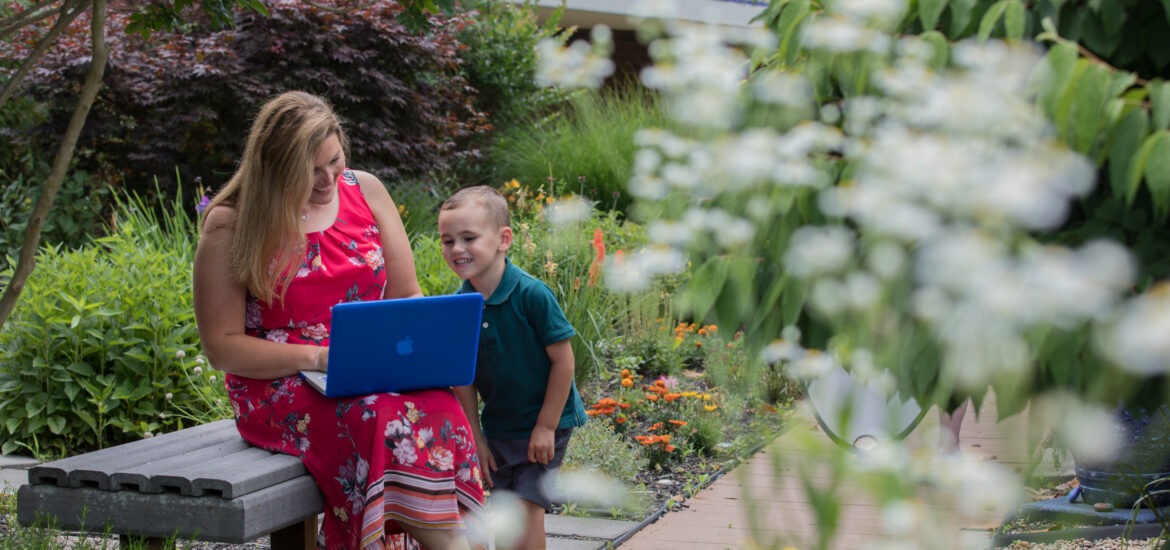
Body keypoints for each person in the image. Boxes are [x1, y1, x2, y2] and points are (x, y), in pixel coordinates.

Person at [192, 91, 485, 550]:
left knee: (439, 404)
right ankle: (451, 542)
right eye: (311, 170)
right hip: (278, 383)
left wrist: (420, 352)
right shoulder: (231, 224)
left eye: (335, 160)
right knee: (378, 416)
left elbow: (407, 295)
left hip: (371, 366)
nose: (329, 178)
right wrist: (322, 357)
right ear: (274, 167)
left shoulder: (364, 189)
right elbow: (222, 346)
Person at [437, 186, 588, 550]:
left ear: (504, 239)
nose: (457, 249)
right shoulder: (462, 307)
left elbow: (563, 360)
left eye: (468, 238)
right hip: (500, 427)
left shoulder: (531, 295)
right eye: (447, 240)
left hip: (545, 422)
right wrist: (476, 438)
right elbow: (463, 379)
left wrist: (546, 426)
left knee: (524, 508)